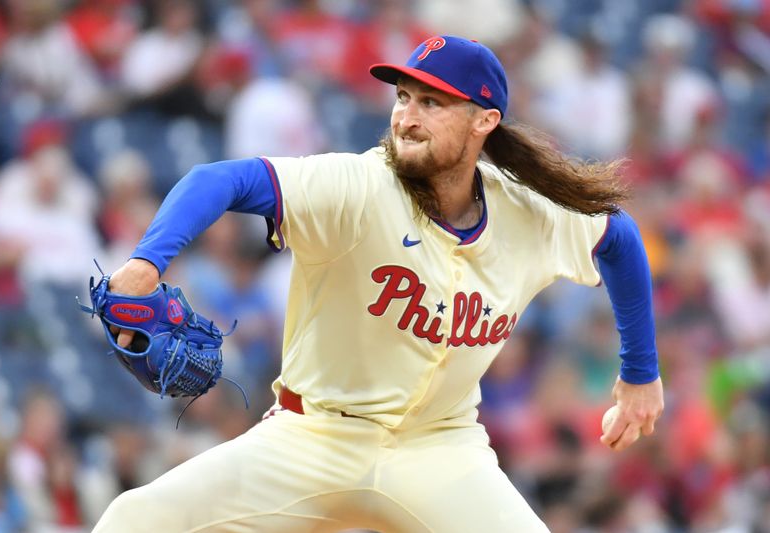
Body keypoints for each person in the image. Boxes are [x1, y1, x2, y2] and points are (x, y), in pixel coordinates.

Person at [93, 36, 664, 532]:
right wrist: (147, 263)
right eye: (403, 97)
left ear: (483, 121)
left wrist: (640, 374)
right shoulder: (358, 186)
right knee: (135, 520)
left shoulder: (530, 214)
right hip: (312, 438)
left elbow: (619, 239)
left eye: (432, 103)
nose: (407, 116)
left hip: (440, 450)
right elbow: (220, 179)